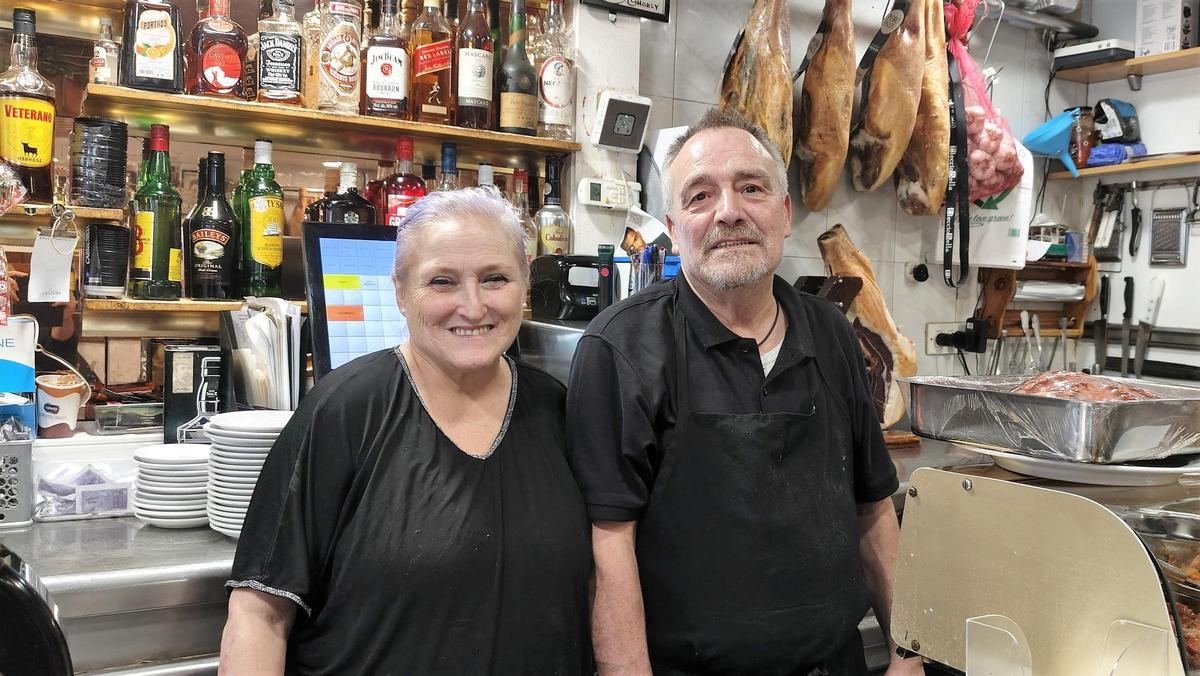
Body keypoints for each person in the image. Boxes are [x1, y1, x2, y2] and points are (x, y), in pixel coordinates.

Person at [565, 108, 924, 676]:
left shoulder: (831, 331)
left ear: (785, 213)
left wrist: (908, 654)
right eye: (700, 196)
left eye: (751, 188)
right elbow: (609, 542)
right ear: (674, 226)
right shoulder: (621, 347)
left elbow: (873, 504)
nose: (729, 211)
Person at [219, 186, 593, 675]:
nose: (472, 306)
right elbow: (260, 614)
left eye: (495, 278)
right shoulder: (344, 411)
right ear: (399, 290)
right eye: (442, 282)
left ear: (525, 284)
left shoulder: (558, 410)